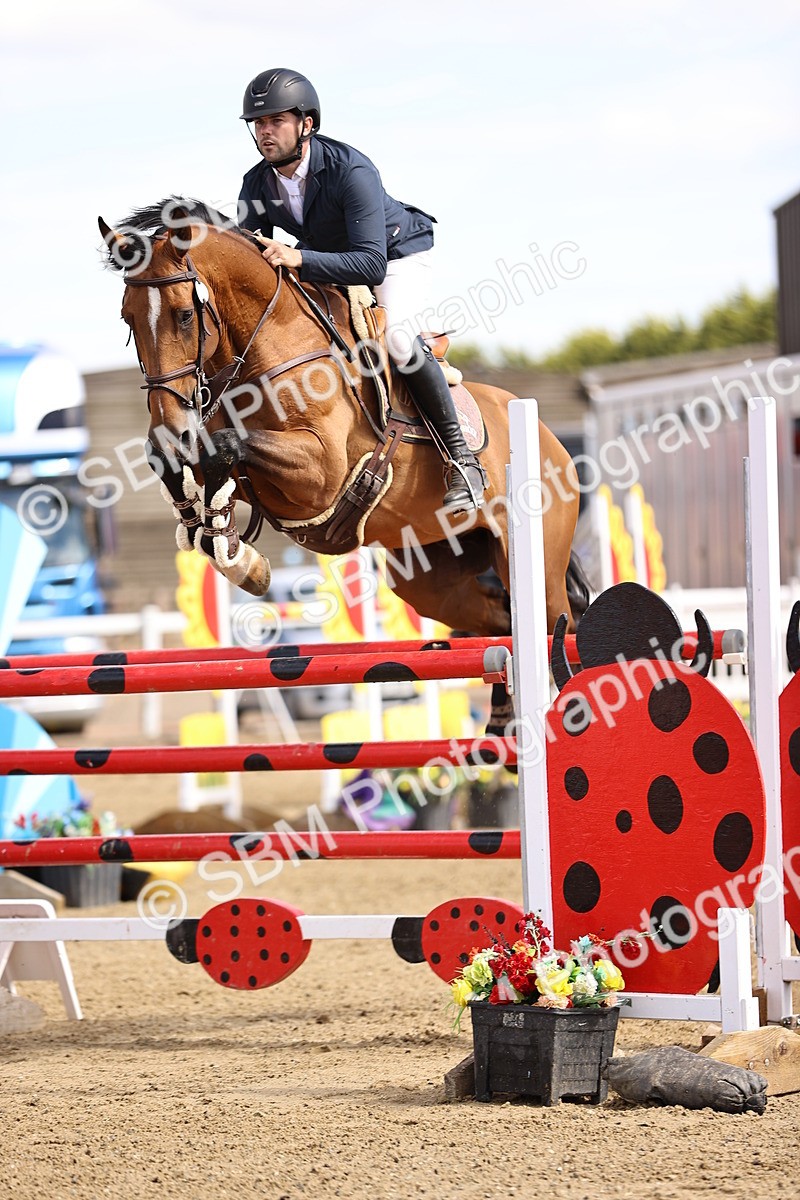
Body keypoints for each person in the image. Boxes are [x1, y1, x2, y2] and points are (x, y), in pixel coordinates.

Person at [237, 68, 486, 514]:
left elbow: (370, 264)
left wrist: (298, 258)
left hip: (395, 256)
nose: (265, 132)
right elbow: (250, 257)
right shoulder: (257, 183)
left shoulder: (351, 170)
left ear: (306, 124)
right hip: (328, 258)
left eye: (276, 121)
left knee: (398, 340)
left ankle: (462, 462)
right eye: (258, 123)